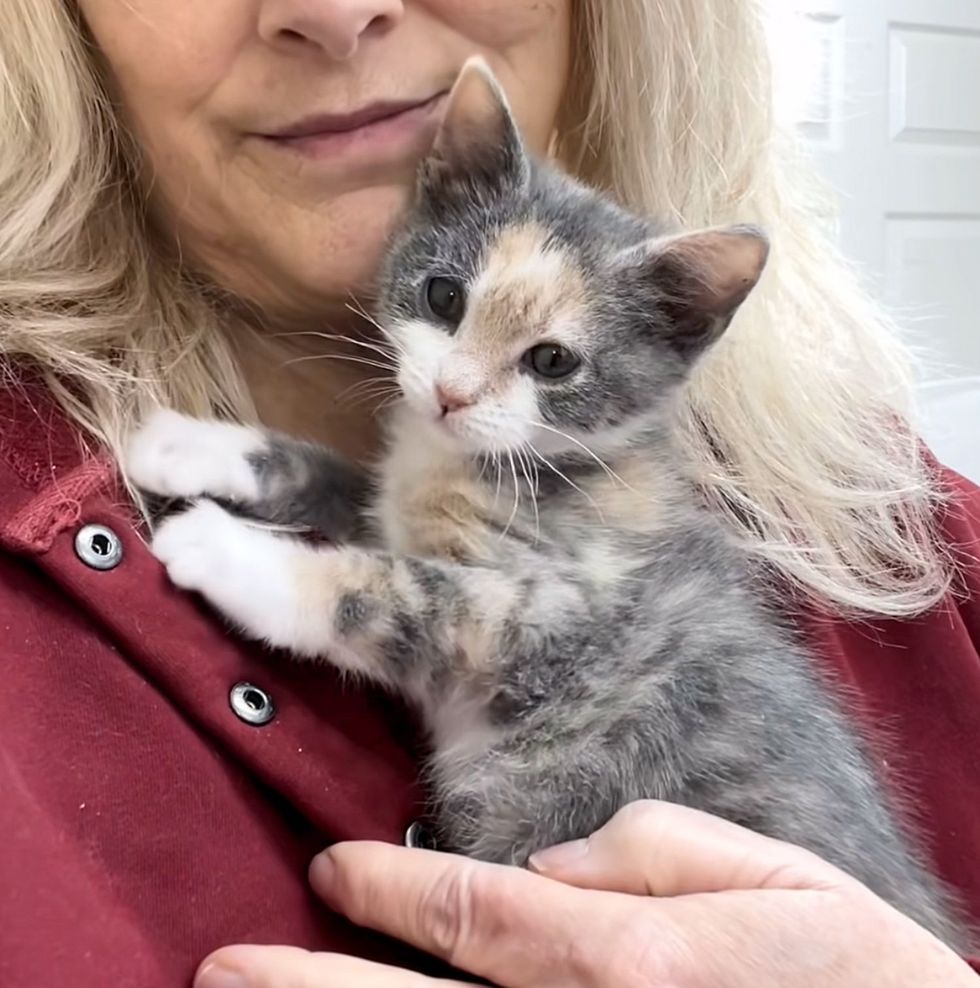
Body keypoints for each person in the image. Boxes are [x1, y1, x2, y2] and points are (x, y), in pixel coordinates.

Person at [0, 2, 977, 986]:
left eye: (548, 360)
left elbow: (485, 608)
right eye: (445, 304)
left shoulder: (908, 530)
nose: (337, 13)